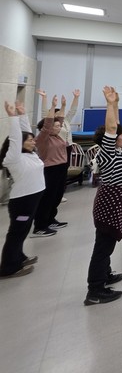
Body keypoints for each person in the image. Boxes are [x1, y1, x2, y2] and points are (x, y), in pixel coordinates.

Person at [85, 86, 122, 305]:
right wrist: (109, 104)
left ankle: (105, 274)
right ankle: (95, 290)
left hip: (115, 201)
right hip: (109, 205)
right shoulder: (107, 153)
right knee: (102, 247)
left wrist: (116, 104)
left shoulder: (116, 151)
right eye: (120, 134)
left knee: (106, 244)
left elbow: (116, 125)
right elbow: (112, 127)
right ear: (112, 138)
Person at [0, 101, 44, 279]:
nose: (34, 141)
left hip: (33, 199)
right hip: (23, 201)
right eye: (30, 140)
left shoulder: (30, 154)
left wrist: (22, 115)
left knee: (24, 230)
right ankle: (8, 267)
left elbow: (25, 133)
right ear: (20, 144)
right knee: (16, 233)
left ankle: (19, 257)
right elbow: (17, 138)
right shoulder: (14, 158)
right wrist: (13, 118)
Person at [31, 90, 69, 237]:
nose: (59, 127)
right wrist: (52, 106)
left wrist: (63, 106)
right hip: (50, 169)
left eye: (59, 126)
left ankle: (50, 219)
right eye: (56, 126)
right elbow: (48, 125)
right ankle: (40, 226)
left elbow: (60, 119)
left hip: (61, 168)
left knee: (57, 196)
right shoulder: (43, 138)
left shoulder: (57, 136)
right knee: (47, 198)